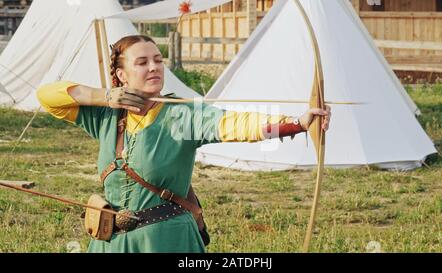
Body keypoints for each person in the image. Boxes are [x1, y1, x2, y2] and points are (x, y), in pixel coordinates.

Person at [37, 35, 331, 253]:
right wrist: (103, 96)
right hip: (109, 243)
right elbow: (47, 96)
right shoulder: (106, 116)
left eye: (158, 60)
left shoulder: (181, 114)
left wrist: (299, 123)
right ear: (121, 75)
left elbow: (235, 125)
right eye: (142, 62)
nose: (154, 67)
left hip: (167, 240)